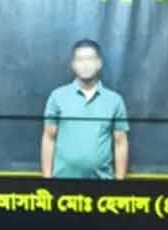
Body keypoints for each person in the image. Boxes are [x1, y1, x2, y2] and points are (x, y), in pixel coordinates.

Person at [41, 40, 129, 180]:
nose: (85, 64)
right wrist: (47, 179)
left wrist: (119, 183)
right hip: (62, 182)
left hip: (103, 183)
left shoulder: (115, 101)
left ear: (99, 63)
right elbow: (49, 138)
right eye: (80, 60)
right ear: (73, 65)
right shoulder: (57, 97)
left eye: (90, 59)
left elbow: (121, 143)